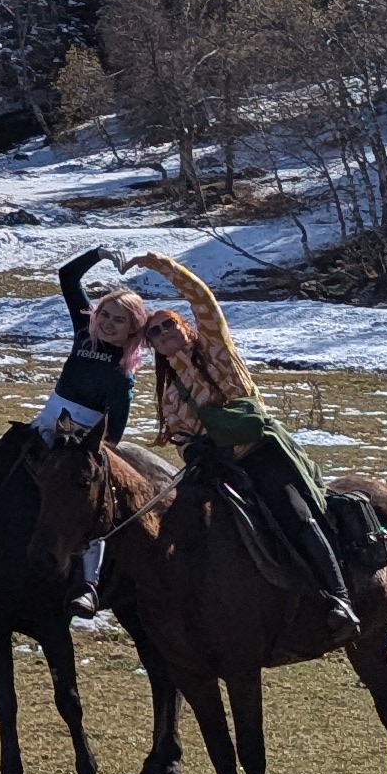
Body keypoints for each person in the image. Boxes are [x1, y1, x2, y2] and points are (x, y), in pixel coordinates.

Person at [131, 249, 361, 637]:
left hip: (262, 455)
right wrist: (194, 450)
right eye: (153, 333)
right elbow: (182, 438)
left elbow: (201, 298)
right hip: (219, 469)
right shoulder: (169, 394)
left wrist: (158, 264)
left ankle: (340, 599)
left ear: (184, 325)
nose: (164, 333)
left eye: (168, 324)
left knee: (294, 515)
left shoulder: (217, 352)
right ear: (151, 346)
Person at [31, 245, 149, 611]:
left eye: (120, 320)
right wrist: (97, 253)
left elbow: (115, 432)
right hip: (47, 424)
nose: (109, 323)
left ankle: (89, 583)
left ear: (134, 330)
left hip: (83, 441)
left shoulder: (121, 374)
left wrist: (88, 453)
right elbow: (67, 277)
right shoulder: (84, 331)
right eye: (106, 314)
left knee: (86, 504)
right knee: (2, 462)